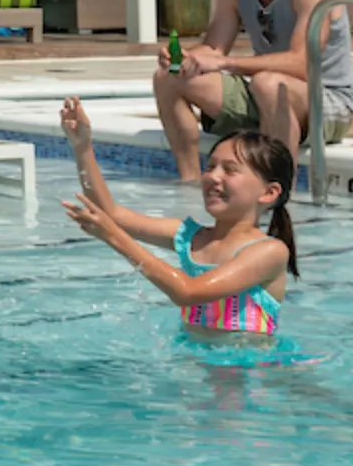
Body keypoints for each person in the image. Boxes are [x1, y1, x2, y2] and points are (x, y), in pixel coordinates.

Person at [152, 0, 353, 185]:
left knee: (269, 83)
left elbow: (301, 64)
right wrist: (186, 58)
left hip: (325, 103)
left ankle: (280, 197)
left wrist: (225, 62)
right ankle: (189, 183)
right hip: (265, 94)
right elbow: (213, 48)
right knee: (168, 77)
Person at [59, 96, 297, 339]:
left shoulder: (269, 252)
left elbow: (188, 292)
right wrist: (82, 148)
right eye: (210, 167)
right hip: (197, 366)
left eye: (230, 170)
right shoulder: (189, 237)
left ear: (269, 193)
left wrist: (114, 237)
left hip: (254, 372)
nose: (213, 177)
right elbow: (110, 214)